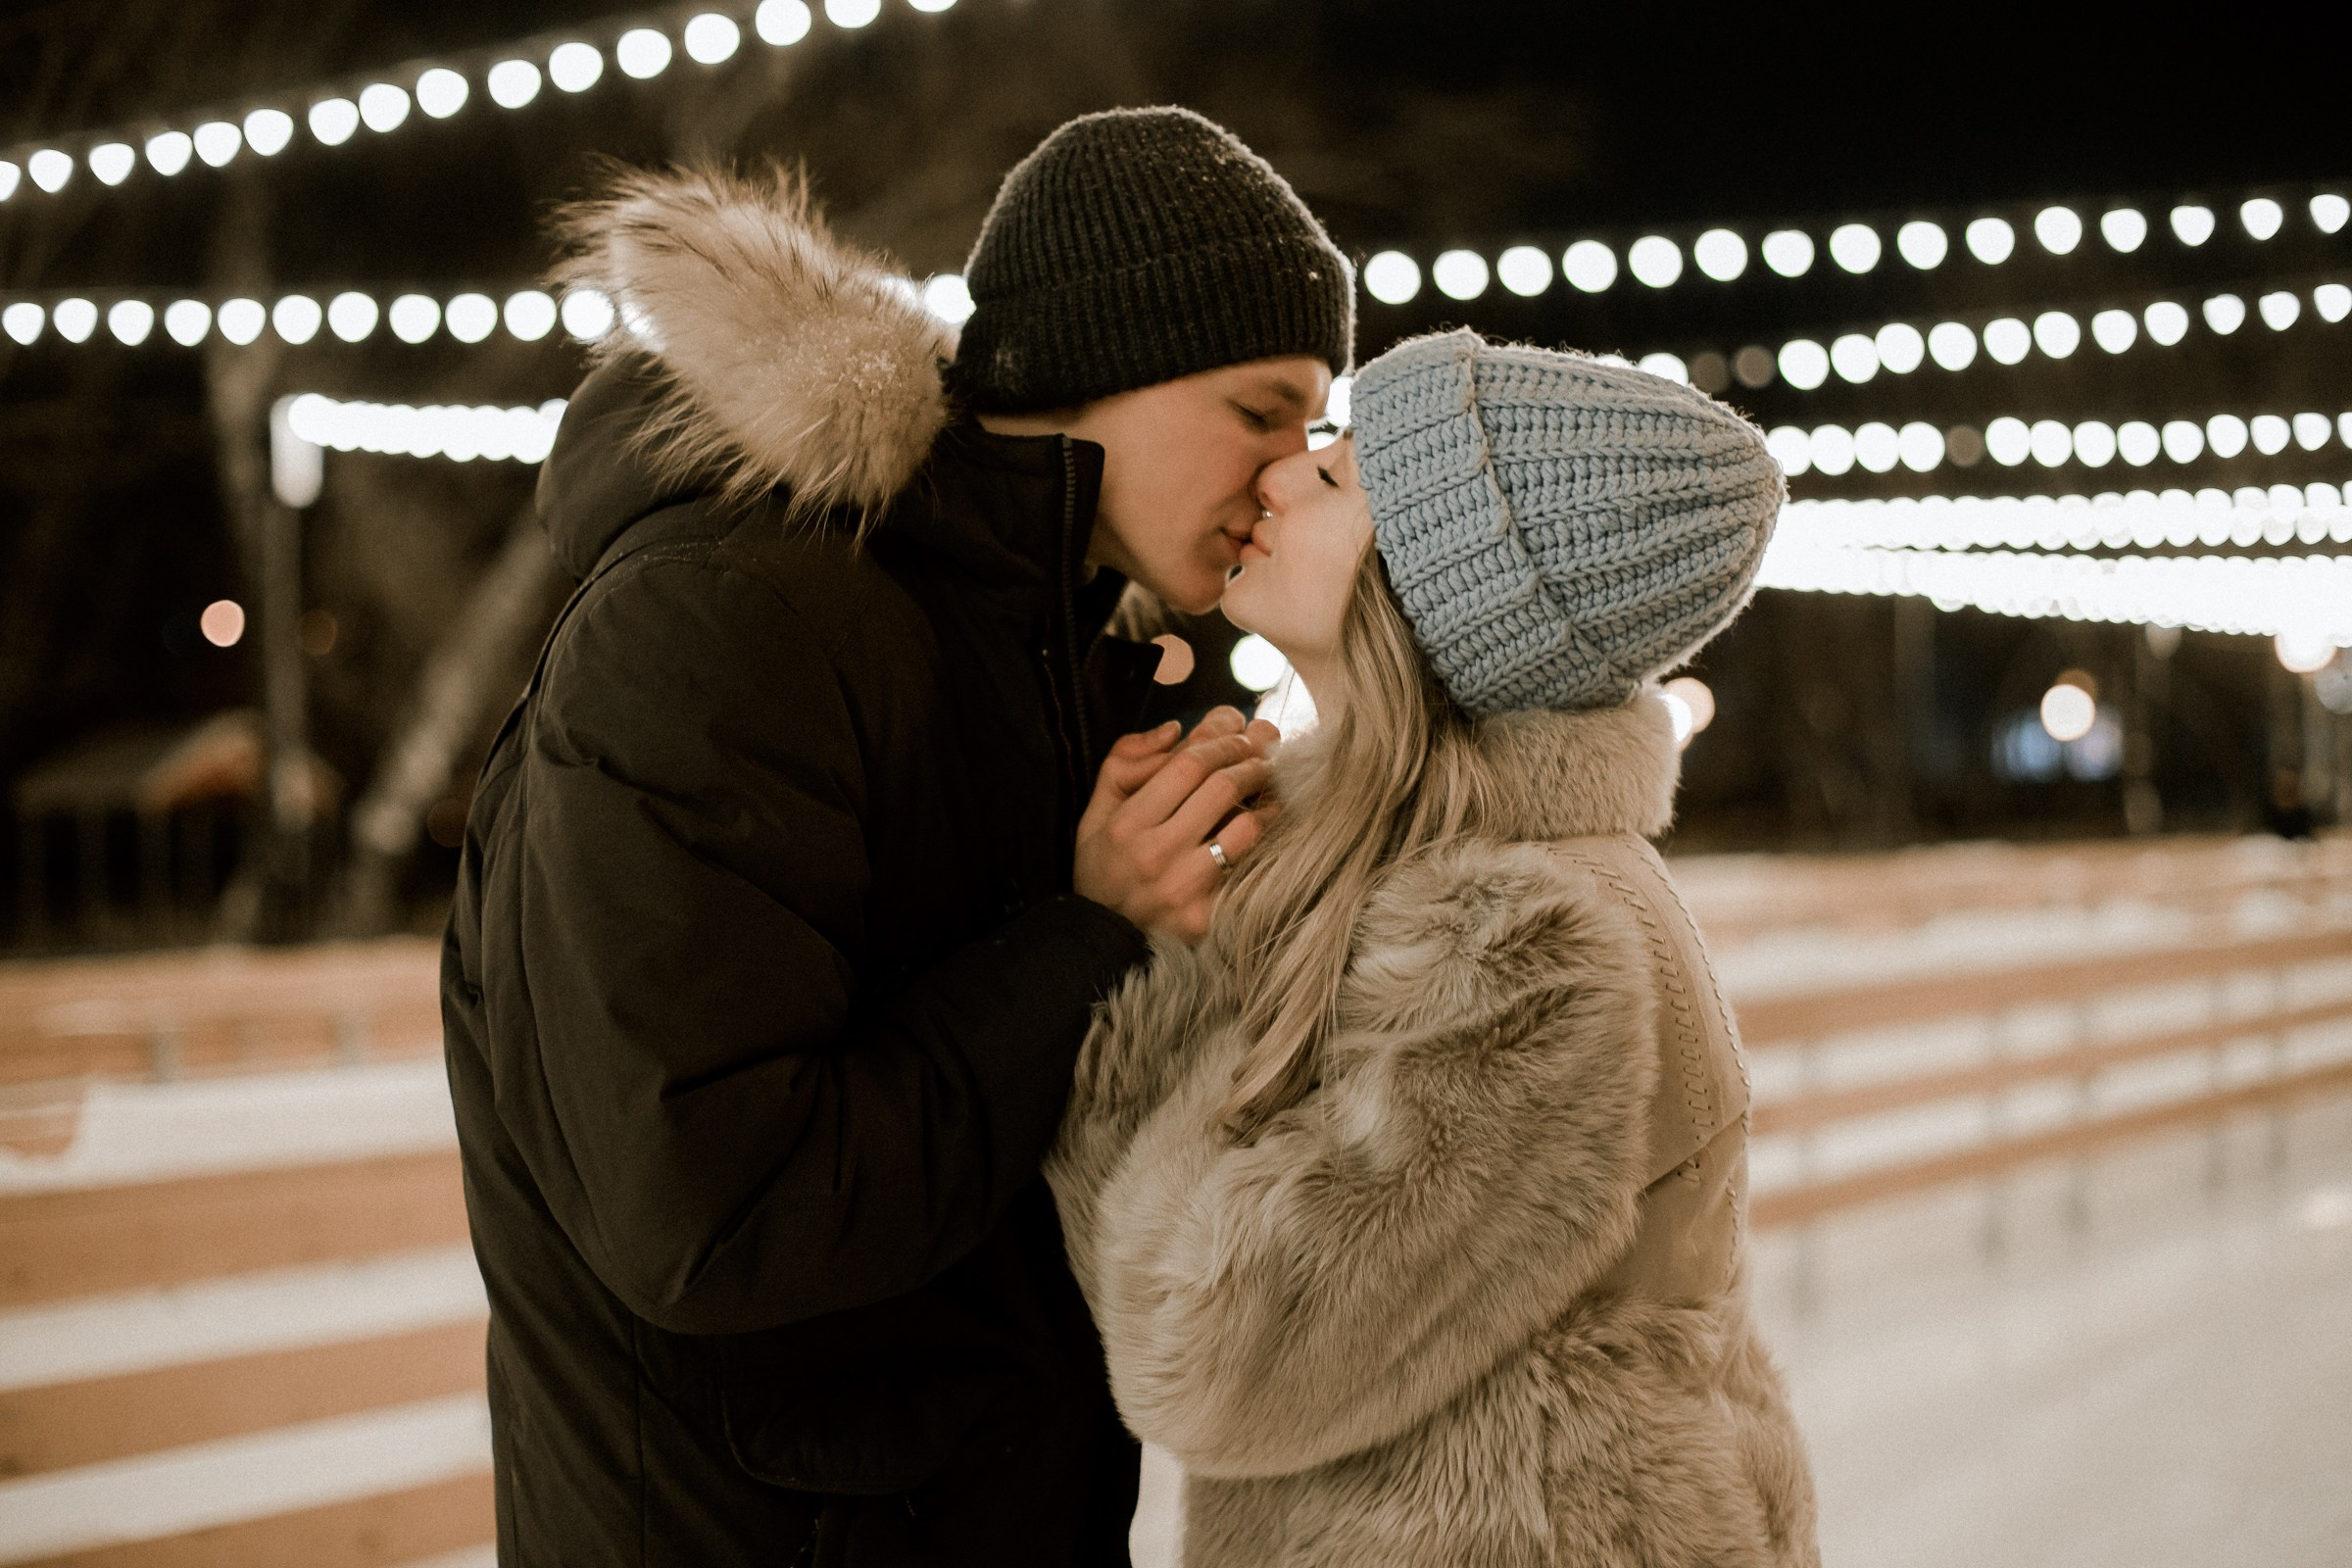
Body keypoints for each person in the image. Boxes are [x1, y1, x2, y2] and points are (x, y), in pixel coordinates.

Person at [439, 107, 1349, 1567]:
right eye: (1262, 409)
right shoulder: (727, 618)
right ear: (1095, 363)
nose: (1293, 469)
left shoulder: (1052, 657)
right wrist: (1085, 933)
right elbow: (708, 1208)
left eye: (1316, 425)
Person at [1048, 329, 1822, 1567]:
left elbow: (1208, 1349)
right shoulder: (1447, 883)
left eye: (1336, 476)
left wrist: (1129, 965)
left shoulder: (1524, 950)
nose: (1281, 474)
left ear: (1431, 593)